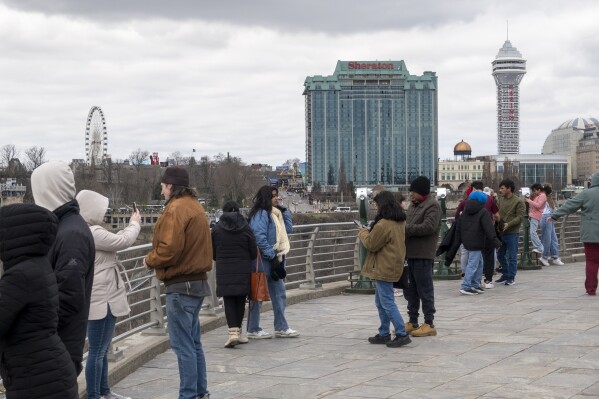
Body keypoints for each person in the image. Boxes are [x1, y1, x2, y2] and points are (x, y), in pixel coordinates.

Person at [144, 166, 213, 399]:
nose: (162, 190)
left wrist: (149, 260)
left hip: (181, 286)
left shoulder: (175, 209)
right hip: (197, 284)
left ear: (171, 186)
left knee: (183, 346)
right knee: (193, 343)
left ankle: (188, 395)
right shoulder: (196, 207)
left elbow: (168, 250)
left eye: (163, 186)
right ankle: (201, 392)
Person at [0, 203, 78, 398]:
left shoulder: (20, 275)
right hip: (46, 373)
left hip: (38, 379)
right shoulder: (37, 264)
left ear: (13, 234)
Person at [31, 161, 95, 376]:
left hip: (58, 348)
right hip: (56, 345)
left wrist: (30, 325)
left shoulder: (71, 234)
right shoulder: (65, 226)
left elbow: (68, 297)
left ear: (48, 191)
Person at [77, 190, 141, 399]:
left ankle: (103, 392)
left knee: (102, 350)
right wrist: (135, 223)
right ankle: (95, 395)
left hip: (102, 297)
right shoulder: (93, 232)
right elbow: (121, 241)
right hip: (101, 299)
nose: (104, 214)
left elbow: (115, 239)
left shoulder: (86, 230)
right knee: (97, 351)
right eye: (101, 209)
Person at [358, 191, 411, 348]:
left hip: (384, 266)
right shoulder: (399, 221)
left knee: (387, 302)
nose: (375, 207)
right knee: (381, 301)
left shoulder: (383, 224)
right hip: (393, 264)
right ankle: (384, 332)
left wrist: (362, 231)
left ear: (382, 205)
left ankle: (401, 333)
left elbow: (372, 244)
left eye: (376, 204)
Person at [246, 186, 299, 339]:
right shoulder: (261, 214)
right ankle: (253, 328)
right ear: (266, 198)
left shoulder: (276, 214)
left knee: (279, 294)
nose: (277, 198)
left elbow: (288, 230)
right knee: (258, 294)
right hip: (263, 260)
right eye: (273, 196)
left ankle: (281, 327)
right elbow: (259, 236)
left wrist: (285, 212)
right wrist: (271, 256)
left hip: (275, 259)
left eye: (277, 196)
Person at [211, 200, 257, 348]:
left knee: (229, 299)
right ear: (238, 211)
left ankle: (233, 333)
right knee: (240, 299)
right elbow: (253, 252)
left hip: (224, 269)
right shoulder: (246, 228)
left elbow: (213, 253)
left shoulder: (217, 229)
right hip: (243, 268)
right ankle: (239, 332)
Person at [549, 171, 599, 295]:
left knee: (592, 262)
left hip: (590, 234)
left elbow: (570, 205)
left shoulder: (586, 194)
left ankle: (591, 289)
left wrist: (555, 215)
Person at [404, 176, 441, 337]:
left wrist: (405, 228)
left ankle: (429, 323)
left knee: (424, 289)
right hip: (410, 253)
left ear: (421, 191)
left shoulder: (432, 206)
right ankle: (413, 321)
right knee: (411, 290)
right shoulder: (413, 206)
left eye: (413, 191)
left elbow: (428, 227)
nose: (411, 194)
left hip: (423, 254)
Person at [449, 192, 502, 295]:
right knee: (473, 264)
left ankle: (475, 284)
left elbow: (459, 225)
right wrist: (496, 242)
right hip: (477, 241)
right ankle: (466, 285)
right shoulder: (483, 212)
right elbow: (489, 228)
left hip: (467, 240)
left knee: (479, 263)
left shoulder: (465, 211)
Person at [495, 179, 525, 286]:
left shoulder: (518, 201)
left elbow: (520, 217)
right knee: (500, 255)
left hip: (512, 233)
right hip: (501, 232)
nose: (500, 190)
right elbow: (496, 212)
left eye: (502, 188)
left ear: (509, 189)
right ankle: (505, 274)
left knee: (512, 256)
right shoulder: (500, 200)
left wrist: (509, 224)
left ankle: (511, 277)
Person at [471, 181, 500, 288]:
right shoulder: (490, 199)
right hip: (488, 229)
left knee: (476, 256)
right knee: (489, 255)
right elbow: (497, 215)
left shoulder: (470, 199)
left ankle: (477, 280)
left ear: (473, 188)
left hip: (475, 231)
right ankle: (488, 280)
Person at [540, 184, 564, 265]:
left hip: (549, 217)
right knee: (547, 239)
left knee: (554, 239)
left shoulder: (550, 199)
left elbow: (553, 209)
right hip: (545, 217)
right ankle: (544, 257)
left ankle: (555, 256)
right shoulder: (543, 198)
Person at [525, 183, 548, 266]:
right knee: (532, 232)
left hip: (536, 215)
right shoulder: (538, 196)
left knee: (533, 232)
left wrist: (529, 201)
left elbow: (538, 205)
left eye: (534, 190)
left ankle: (540, 248)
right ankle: (539, 247)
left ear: (538, 189)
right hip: (533, 215)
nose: (534, 192)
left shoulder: (542, 196)